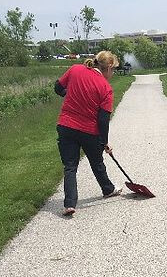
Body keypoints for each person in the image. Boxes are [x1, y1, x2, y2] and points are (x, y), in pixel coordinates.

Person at [54, 51, 122, 216]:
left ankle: (69, 204)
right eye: (113, 70)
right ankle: (108, 189)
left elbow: (57, 88)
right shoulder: (105, 88)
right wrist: (104, 142)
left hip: (66, 126)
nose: (112, 74)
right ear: (107, 68)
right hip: (89, 131)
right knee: (97, 163)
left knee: (70, 166)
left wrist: (68, 94)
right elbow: (103, 119)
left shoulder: (76, 69)